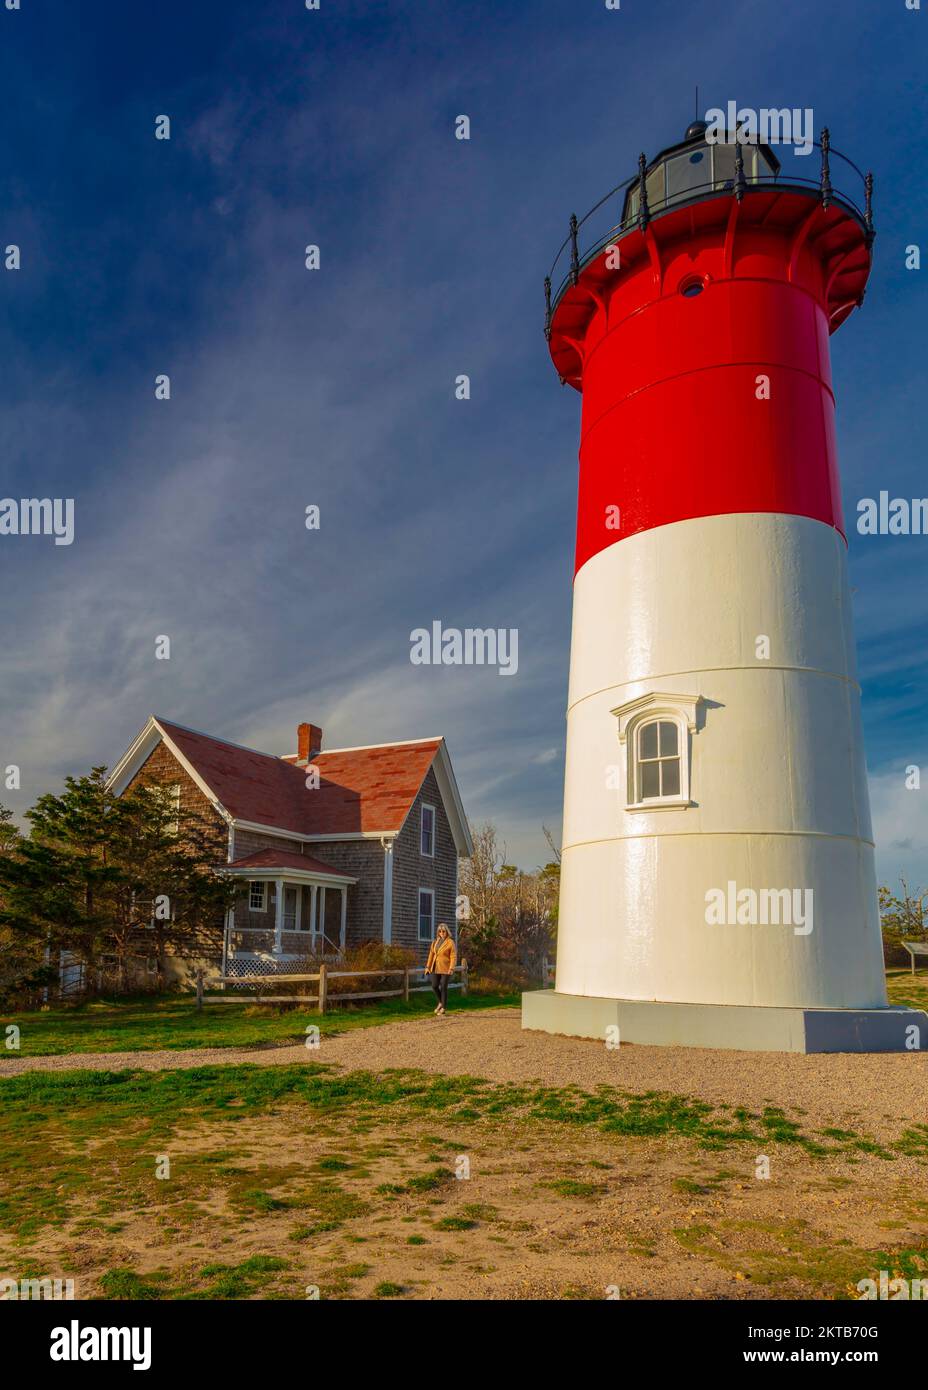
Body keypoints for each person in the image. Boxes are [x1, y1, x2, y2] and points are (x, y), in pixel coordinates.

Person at [425, 922, 456, 1016]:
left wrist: (451, 968)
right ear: (438, 932)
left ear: (447, 932)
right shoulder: (435, 942)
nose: (442, 933)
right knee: (434, 986)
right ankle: (440, 1002)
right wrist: (427, 967)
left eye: (443, 931)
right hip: (435, 967)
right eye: (440, 931)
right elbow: (431, 954)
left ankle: (443, 1008)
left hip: (446, 968)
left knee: (443, 987)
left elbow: (453, 956)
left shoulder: (450, 942)